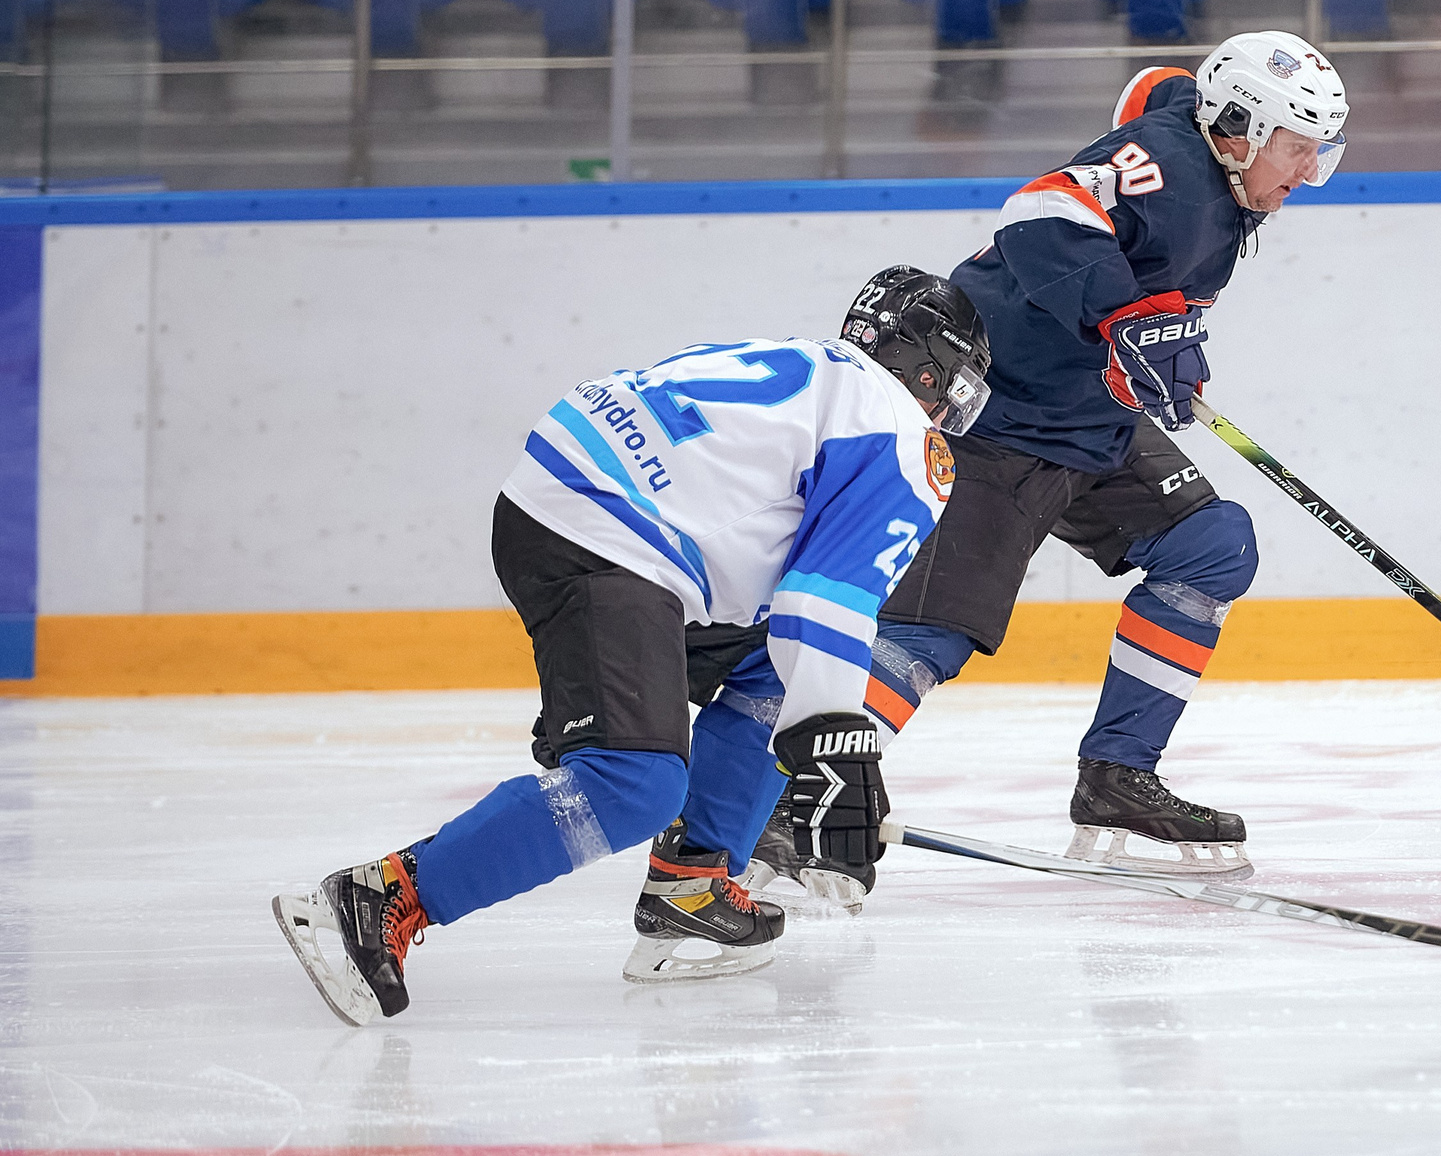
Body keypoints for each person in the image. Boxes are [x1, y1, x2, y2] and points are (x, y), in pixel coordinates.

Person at [274, 269, 992, 1026]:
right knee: (634, 785)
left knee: (781, 671)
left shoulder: (807, 364)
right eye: (958, 390)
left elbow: (779, 591)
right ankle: (381, 895)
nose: (950, 410)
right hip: (610, 544)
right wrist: (839, 755)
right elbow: (826, 601)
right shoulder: (905, 435)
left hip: (561, 503)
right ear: (928, 370)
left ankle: (694, 885)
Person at [749, 30, 1348, 890]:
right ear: (1241, 127)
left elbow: (1153, 104)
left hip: (1089, 421)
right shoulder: (1174, 166)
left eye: (1319, 154)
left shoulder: (1219, 175)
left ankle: (1115, 775)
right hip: (999, 420)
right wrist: (1126, 319)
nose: (1306, 172)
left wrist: (1147, 344)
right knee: (930, 632)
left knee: (1210, 545)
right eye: (1297, 150)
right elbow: (1042, 211)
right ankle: (788, 799)